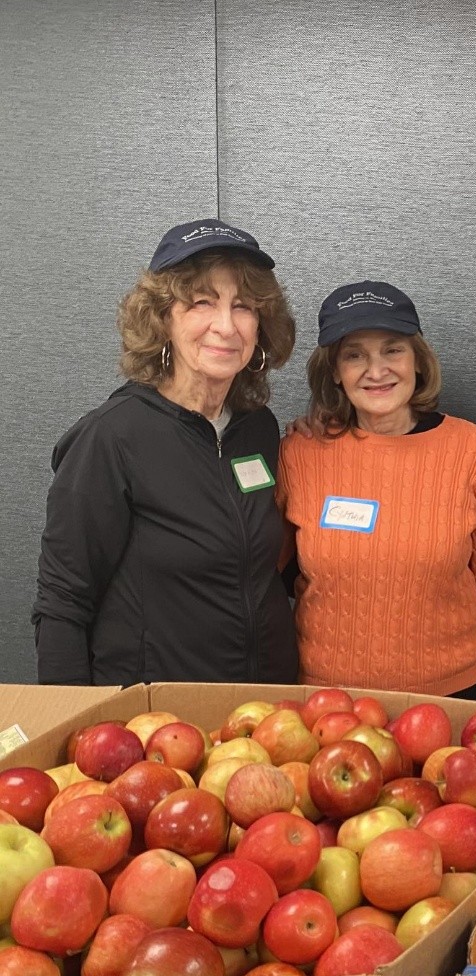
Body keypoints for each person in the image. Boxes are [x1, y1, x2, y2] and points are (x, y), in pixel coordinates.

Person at [34, 218, 300, 685]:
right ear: (162, 319)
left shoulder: (257, 428)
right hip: (156, 716)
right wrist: (74, 718)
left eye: (243, 306)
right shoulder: (111, 437)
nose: (226, 326)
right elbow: (62, 603)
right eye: (202, 302)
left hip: (263, 711)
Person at [276, 281, 476, 701]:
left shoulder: (473, 451)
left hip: (452, 696)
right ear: (334, 371)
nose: (376, 370)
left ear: (417, 359)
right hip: (328, 703)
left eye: (393, 350)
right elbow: (258, 578)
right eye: (354, 355)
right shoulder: (300, 453)